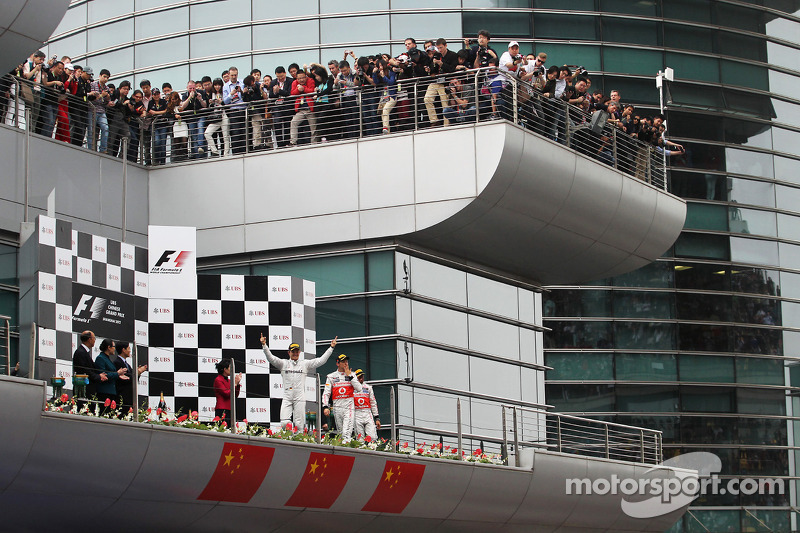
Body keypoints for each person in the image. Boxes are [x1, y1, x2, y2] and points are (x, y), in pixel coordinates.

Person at [259, 334, 339, 430]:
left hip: (299, 396)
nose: (295, 353)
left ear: (300, 352)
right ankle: (290, 435)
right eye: (293, 351)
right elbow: (271, 358)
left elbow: (321, 360)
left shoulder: (304, 364)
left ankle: (299, 440)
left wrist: (331, 347)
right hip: (287, 396)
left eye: (297, 351)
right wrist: (264, 345)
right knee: (284, 422)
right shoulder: (283, 363)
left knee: (299, 424)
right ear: (289, 353)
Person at [321, 353, 362, 442]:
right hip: (337, 407)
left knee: (346, 434)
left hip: (349, 407)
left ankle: (347, 451)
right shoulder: (331, 376)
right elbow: (326, 393)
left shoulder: (353, 375)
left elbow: (359, 388)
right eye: (343, 362)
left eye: (346, 361)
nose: (346, 364)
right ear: (338, 363)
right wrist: (325, 406)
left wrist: (350, 376)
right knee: (340, 432)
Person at [93, 338, 129, 413]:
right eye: (113, 347)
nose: (114, 349)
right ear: (109, 347)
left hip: (111, 392)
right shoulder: (100, 358)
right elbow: (103, 375)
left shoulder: (107, 358)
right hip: (104, 392)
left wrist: (118, 375)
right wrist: (117, 373)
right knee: (105, 413)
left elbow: (111, 373)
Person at [71, 330, 107, 399]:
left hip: (88, 389)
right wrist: (98, 376)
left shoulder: (84, 352)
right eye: (94, 338)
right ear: (89, 339)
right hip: (84, 389)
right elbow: (85, 370)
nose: (95, 340)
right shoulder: (80, 352)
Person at [114, 341, 147, 411]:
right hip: (123, 397)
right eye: (128, 348)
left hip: (130, 397)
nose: (130, 351)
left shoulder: (127, 364)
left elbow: (133, 379)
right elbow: (125, 379)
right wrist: (137, 373)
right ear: (123, 350)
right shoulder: (117, 363)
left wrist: (138, 373)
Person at [289, 69, 317, 145]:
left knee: (313, 127)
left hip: (310, 109)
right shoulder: (294, 82)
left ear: (306, 77)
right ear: (296, 78)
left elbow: (312, 91)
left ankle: (314, 143)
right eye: (299, 78)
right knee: (293, 122)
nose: (301, 80)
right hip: (300, 110)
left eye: (303, 78)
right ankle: (293, 142)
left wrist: (303, 89)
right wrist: (299, 90)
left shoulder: (310, 80)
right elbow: (292, 93)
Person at [352, 369, 380, 441]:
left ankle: (373, 450)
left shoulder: (368, 388)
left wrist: (377, 418)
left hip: (367, 412)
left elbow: (373, 402)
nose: (361, 379)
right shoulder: (351, 388)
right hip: (356, 413)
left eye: (362, 376)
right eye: (359, 377)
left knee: (373, 437)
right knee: (360, 439)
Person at [213, 358, 242, 423]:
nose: (232, 370)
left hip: (230, 409)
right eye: (230, 368)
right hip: (222, 409)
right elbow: (226, 393)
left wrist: (237, 384)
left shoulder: (229, 381)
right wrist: (235, 383)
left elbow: (235, 395)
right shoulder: (218, 380)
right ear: (225, 369)